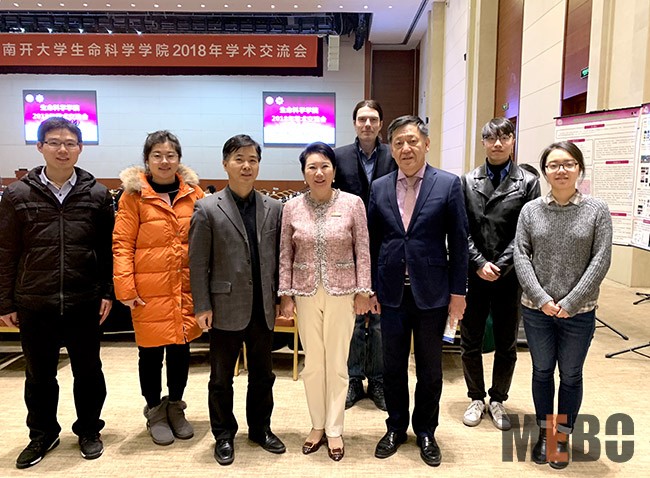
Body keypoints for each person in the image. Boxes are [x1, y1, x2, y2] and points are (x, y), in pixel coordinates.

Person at [0, 117, 114, 469]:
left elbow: (107, 249)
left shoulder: (97, 194)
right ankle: (42, 433)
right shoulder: (17, 194)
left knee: (89, 372)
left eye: (69, 143)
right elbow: (6, 251)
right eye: (54, 142)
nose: (62, 149)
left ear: (80, 148)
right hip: (35, 300)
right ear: (40, 147)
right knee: (39, 376)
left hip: (84, 299)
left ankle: (89, 430)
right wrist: (5, 301)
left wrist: (107, 291)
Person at [368, 115, 468, 467]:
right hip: (391, 292)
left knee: (430, 370)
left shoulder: (448, 184)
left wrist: (458, 292)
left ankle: (425, 430)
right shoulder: (379, 187)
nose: (406, 148)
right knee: (392, 366)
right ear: (391, 149)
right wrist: (371, 288)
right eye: (398, 143)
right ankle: (396, 427)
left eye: (412, 141)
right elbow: (373, 242)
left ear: (426, 143)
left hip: (432, 293)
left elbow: (459, 242)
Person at [514, 141, 612, 469]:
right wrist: (542, 299)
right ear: (545, 171)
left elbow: (601, 259)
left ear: (579, 169)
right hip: (537, 311)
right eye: (554, 165)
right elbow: (521, 255)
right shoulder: (531, 211)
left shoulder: (597, 210)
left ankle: (562, 437)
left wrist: (571, 301)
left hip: (579, 312)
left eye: (568, 164)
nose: (561, 170)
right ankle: (545, 434)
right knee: (542, 372)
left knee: (570, 375)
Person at [189, 134, 286, 466]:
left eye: (252, 160)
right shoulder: (206, 208)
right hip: (223, 306)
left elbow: (279, 258)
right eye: (239, 159)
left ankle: (260, 429)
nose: (246, 166)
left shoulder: (274, 208)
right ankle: (223, 435)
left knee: (263, 375)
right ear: (225, 164)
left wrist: (280, 297)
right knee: (221, 379)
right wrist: (202, 305)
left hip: (263, 306)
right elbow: (197, 262)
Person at [278, 142, 372, 462]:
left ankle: (334, 428)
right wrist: (285, 294)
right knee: (314, 364)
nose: (318, 173)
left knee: (337, 363)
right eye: (312, 167)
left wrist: (364, 290)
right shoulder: (291, 207)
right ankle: (317, 424)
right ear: (304, 173)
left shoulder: (352, 203)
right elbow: (285, 254)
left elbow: (363, 249)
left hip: (343, 292)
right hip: (305, 293)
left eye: (324, 166)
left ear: (334, 170)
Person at [112, 130, 204, 446]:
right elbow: (122, 244)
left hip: (185, 287)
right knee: (150, 353)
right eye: (157, 155)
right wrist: (125, 288)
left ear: (179, 159)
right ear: (147, 160)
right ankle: (154, 410)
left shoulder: (194, 193)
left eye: (170, 155)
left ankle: (175, 405)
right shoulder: (132, 197)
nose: (164, 161)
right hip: (148, 290)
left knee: (180, 349)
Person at [459, 117, 540, 431]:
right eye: (491, 138)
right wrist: (480, 263)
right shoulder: (467, 181)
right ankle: (475, 397)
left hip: (510, 275)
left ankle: (498, 399)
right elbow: (461, 229)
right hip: (474, 272)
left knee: (507, 342)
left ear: (512, 141)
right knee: (470, 339)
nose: (497, 143)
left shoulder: (528, 182)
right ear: (483, 143)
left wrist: (501, 264)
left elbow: (526, 230)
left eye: (504, 137)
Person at [334, 99, 396, 411]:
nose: (367, 124)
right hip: (348, 248)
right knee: (355, 318)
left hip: (386, 245)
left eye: (373, 119)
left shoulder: (393, 155)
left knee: (381, 318)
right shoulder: (339, 156)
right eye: (362, 119)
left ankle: (379, 380)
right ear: (354, 123)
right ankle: (354, 379)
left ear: (381, 123)